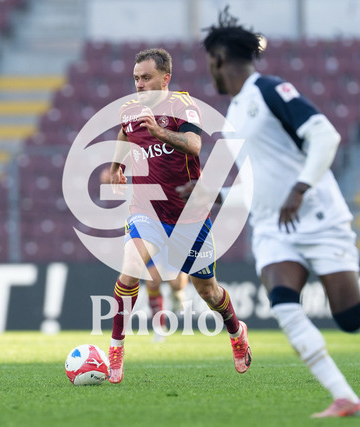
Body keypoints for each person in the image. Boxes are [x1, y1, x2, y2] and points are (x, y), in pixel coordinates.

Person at [181, 8, 360, 418]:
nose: (208, 71)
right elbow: (258, 187)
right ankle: (345, 397)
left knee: (352, 319)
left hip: (318, 216)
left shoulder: (269, 90)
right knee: (283, 303)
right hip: (272, 227)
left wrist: (300, 188)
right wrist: (216, 194)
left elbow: (325, 135)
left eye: (209, 62)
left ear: (218, 58)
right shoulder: (233, 115)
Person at [106, 47, 252, 384]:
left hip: (190, 216)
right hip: (146, 210)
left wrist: (159, 132)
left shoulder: (182, 106)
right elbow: (124, 133)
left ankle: (236, 331)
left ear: (165, 78)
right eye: (136, 78)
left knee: (209, 292)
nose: (139, 84)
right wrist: (116, 166)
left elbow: (194, 145)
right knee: (130, 269)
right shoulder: (129, 110)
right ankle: (116, 348)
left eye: (146, 78)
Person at [100, 167, 189, 342]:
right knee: (153, 279)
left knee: (177, 283)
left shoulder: (174, 159)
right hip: (148, 224)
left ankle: (178, 292)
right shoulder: (141, 158)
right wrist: (112, 173)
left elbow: (194, 172)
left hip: (174, 224)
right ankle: (159, 327)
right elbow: (116, 169)